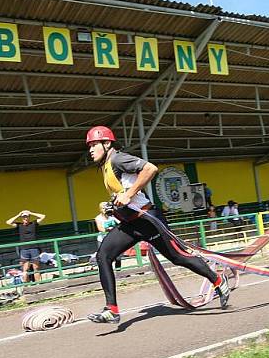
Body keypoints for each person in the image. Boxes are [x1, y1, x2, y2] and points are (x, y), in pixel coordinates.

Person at [84, 125, 229, 324]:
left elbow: (150, 168)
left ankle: (218, 280)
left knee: (178, 257)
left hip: (148, 220)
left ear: (107, 143)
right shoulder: (107, 166)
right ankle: (112, 310)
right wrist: (111, 205)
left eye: (93, 144)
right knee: (103, 256)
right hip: (130, 224)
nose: (90, 149)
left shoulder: (118, 158)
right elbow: (124, 194)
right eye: (89, 146)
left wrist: (128, 194)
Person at [5, 209, 46, 282]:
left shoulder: (33, 223)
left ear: (29, 217)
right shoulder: (19, 225)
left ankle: (39, 284)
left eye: (26, 217)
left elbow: (43, 216)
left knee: (36, 268)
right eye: (24, 217)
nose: (25, 218)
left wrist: (31, 213)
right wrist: (18, 214)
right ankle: (27, 286)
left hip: (34, 248)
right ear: (22, 218)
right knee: (25, 269)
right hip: (24, 249)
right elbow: (8, 222)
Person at [94, 201, 121, 269]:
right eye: (103, 208)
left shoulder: (113, 215)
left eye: (106, 208)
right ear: (100, 209)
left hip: (114, 238)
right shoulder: (98, 218)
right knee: (103, 258)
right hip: (102, 240)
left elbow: (120, 223)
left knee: (118, 257)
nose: (105, 210)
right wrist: (108, 229)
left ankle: (119, 272)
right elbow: (100, 228)